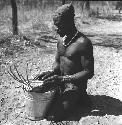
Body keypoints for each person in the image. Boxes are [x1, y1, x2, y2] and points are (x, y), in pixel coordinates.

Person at [34, 3, 94, 121]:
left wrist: (63, 79)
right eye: (55, 26)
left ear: (69, 22)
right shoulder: (61, 40)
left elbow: (89, 72)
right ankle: (68, 98)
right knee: (37, 99)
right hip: (59, 81)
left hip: (74, 85)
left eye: (59, 26)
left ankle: (80, 96)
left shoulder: (83, 43)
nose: (56, 30)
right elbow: (58, 61)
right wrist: (50, 73)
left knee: (52, 116)